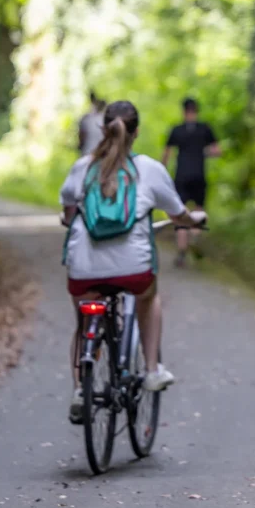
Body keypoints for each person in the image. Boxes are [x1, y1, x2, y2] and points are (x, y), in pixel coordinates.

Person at [60, 100, 206, 422]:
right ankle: (152, 370)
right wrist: (193, 221)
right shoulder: (151, 170)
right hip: (134, 270)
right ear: (136, 132)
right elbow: (177, 213)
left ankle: (80, 391)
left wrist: (70, 216)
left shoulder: (81, 168)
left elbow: (68, 213)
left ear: (103, 128)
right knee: (148, 297)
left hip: (83, 271)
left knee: (83, 322)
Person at [161, 97, 220, 268]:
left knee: (181, 214)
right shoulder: (205, 129)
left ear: (183, 111)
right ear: (197, 110)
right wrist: (203, 153)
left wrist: (162, 172)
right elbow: (217, 151)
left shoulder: (176, 130)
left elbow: (166, 154)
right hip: (199, 175)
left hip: (181, 176)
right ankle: (195, 236)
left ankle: (181, 251)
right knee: (199, 210)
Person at [78, 91, 106, 156]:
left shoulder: (85, 119)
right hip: (103, 155)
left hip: (88, 153)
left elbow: (81, 139)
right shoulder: (107, 119)